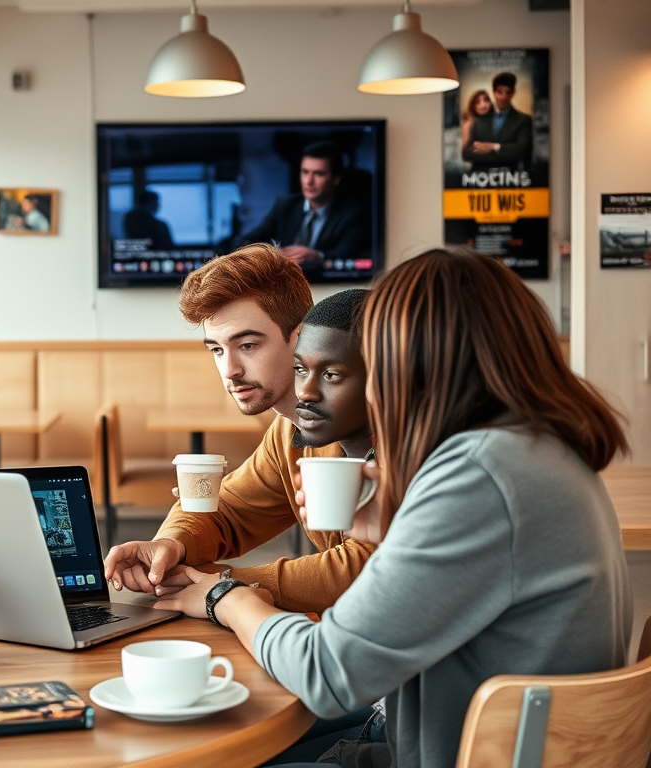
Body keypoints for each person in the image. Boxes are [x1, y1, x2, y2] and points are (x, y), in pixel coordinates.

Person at [155, 248, 632, 768]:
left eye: (383, 349)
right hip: (459, 729)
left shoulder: (480, 472)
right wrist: (391, 534)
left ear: (433, 356)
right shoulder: (527, 447)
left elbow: (327, 674)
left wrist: (224, 595)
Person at [103, 245, 375, 617]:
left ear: (301, 339)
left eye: (247, 345)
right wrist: (171, 544)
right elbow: (228, 509)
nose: (229, 370)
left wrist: (226, 588)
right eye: (216, 349)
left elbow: (372, 568)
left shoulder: (394, 429)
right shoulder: (287, 432)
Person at [240, 142, 371, 281]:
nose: (309, 181)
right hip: (283, 287)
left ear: (336, 178)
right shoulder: (285, 205)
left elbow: (350, 256)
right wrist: (273, 255)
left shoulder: (353, 213)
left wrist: (317, 256)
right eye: (305, 172)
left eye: (318, 174)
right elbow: (245, 241)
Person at [462, 71, 534, 170]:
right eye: (499, 92)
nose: (503, 97)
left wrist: (495, 147)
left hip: (510, 180)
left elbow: (522, 151)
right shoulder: (479, 119)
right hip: (480, 179)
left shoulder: (523, 120)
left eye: (508, 92)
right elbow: (466, 154)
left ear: (513, 93)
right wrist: (506, 154)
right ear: (494, 92)